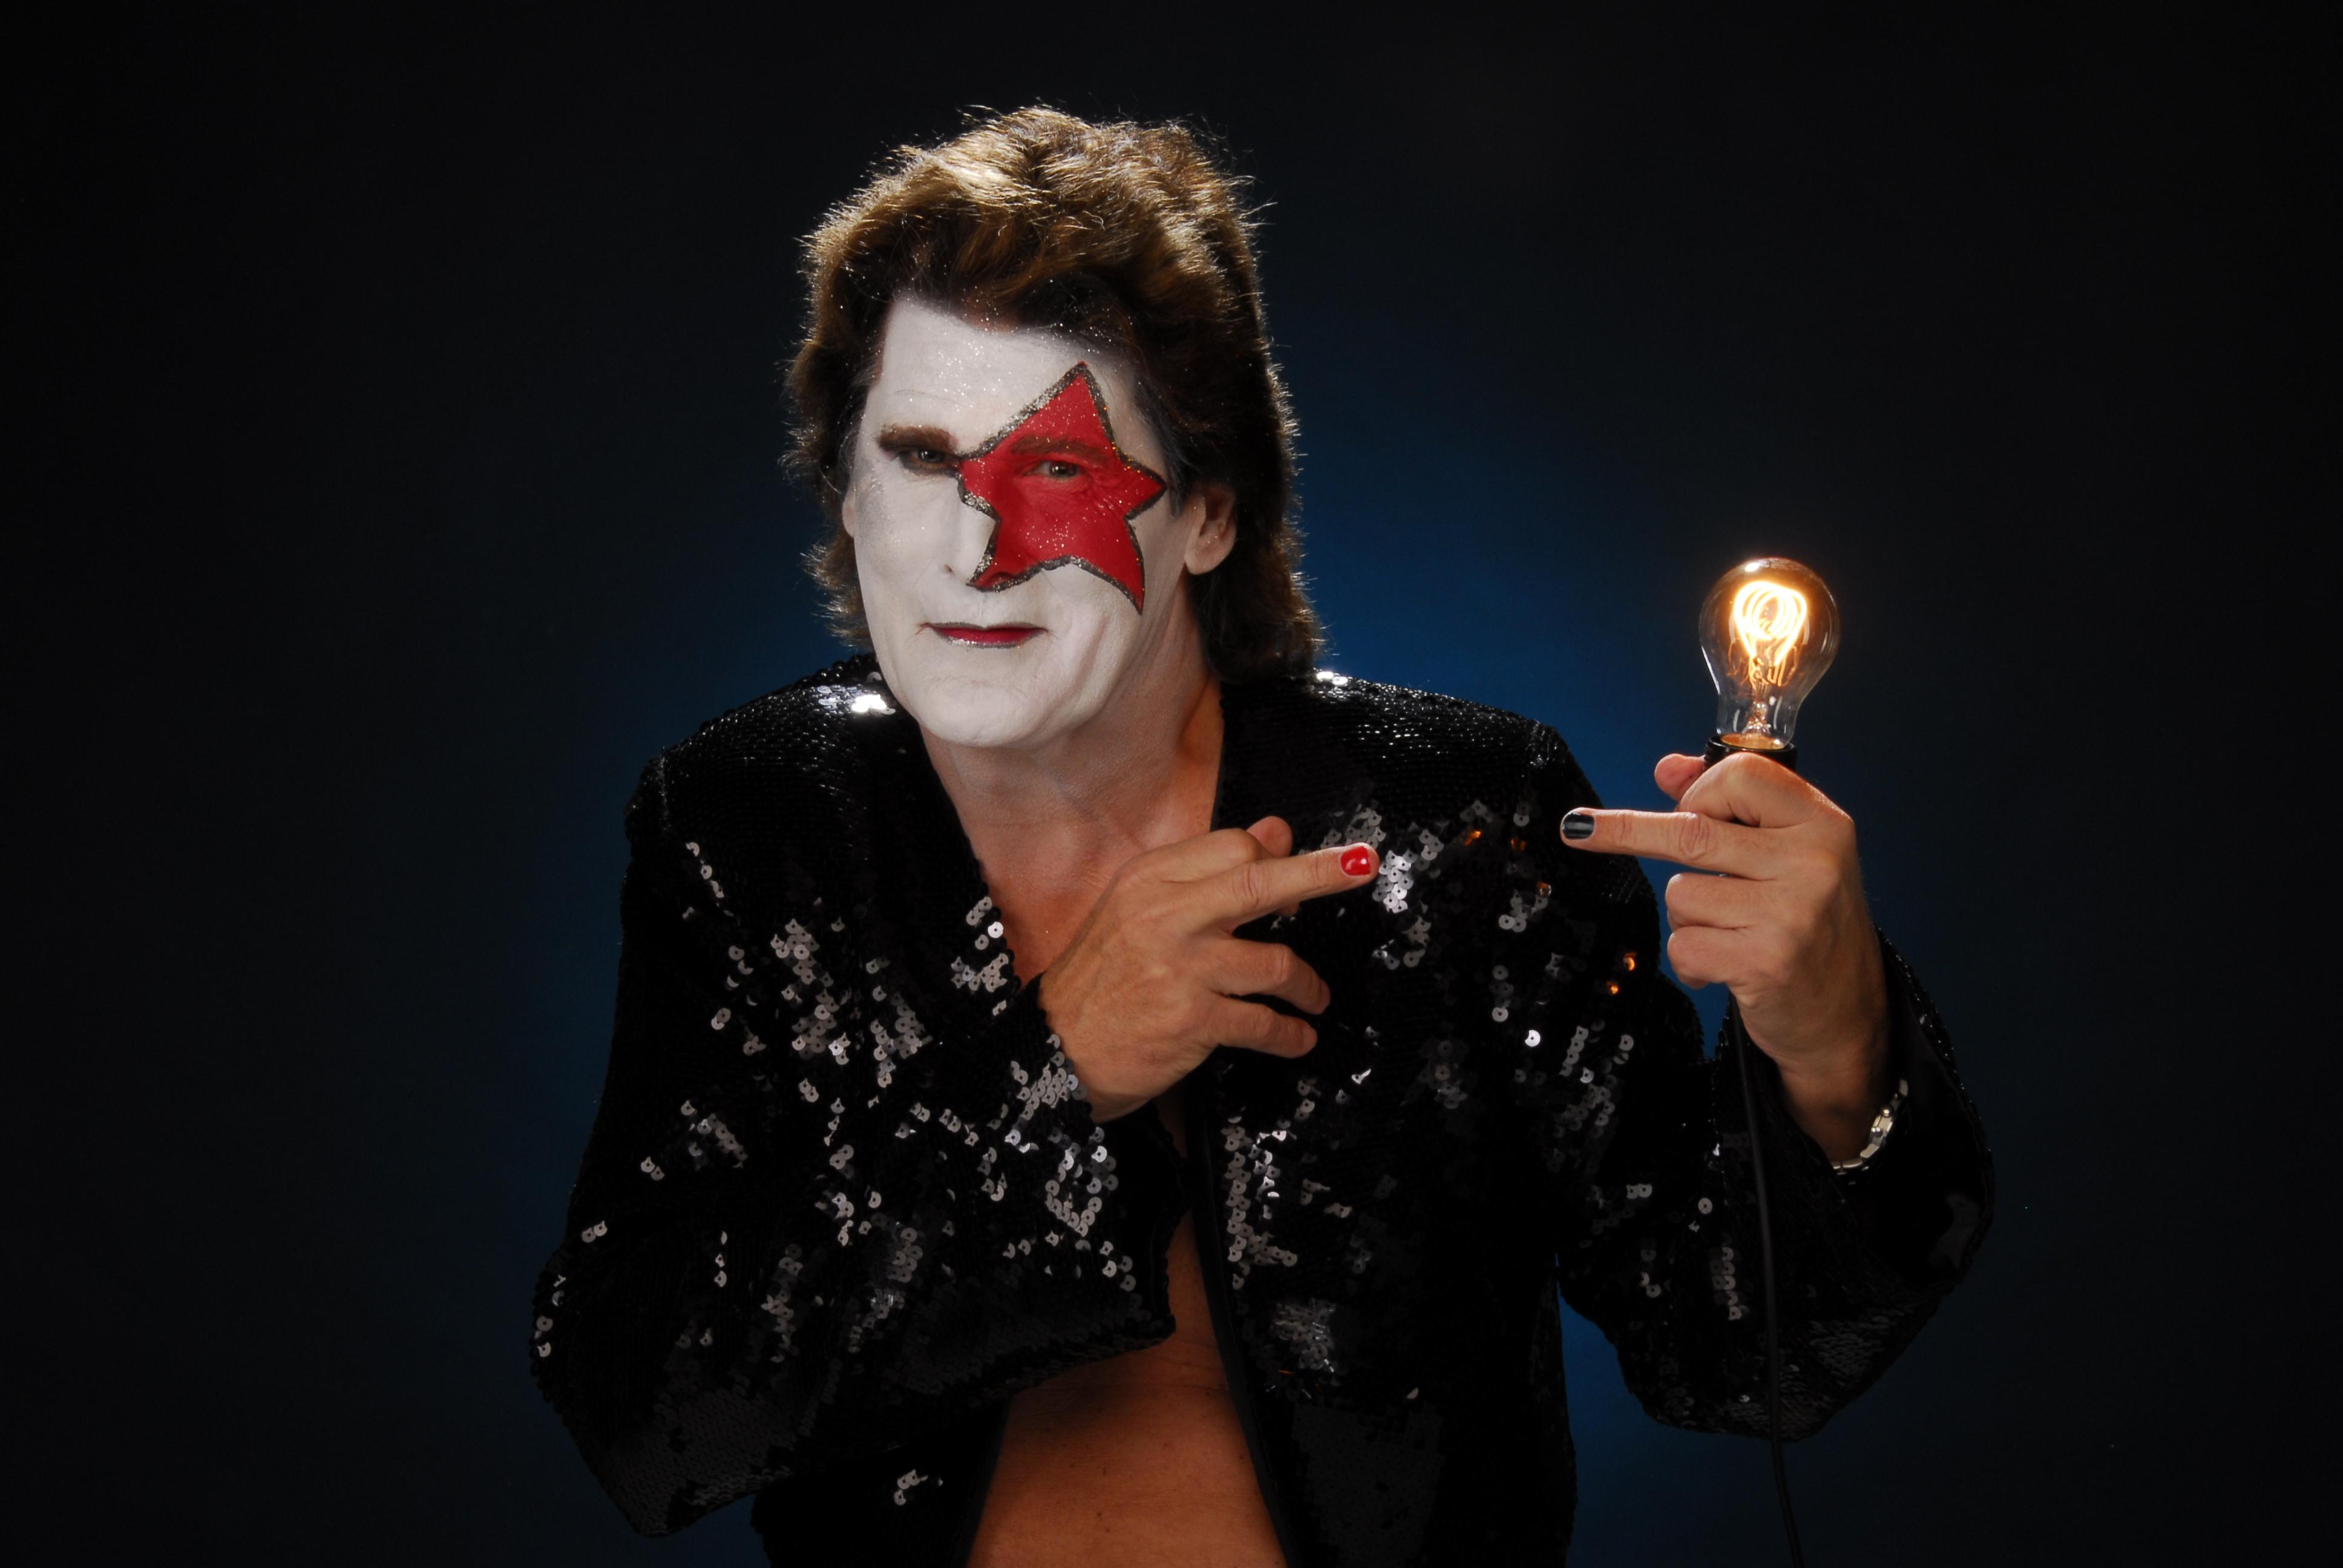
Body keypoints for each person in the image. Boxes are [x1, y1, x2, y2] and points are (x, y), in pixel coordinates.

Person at [529, 108, 1991, 1566]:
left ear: (1210, 515)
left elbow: (1738, 1354)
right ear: (846, 491)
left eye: (1057, 470)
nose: (973, 550)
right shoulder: (756, 822)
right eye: (917, 459)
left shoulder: (1455, 827)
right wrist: (1058, 1069)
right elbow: (642, 1406)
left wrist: (1833, 1040)